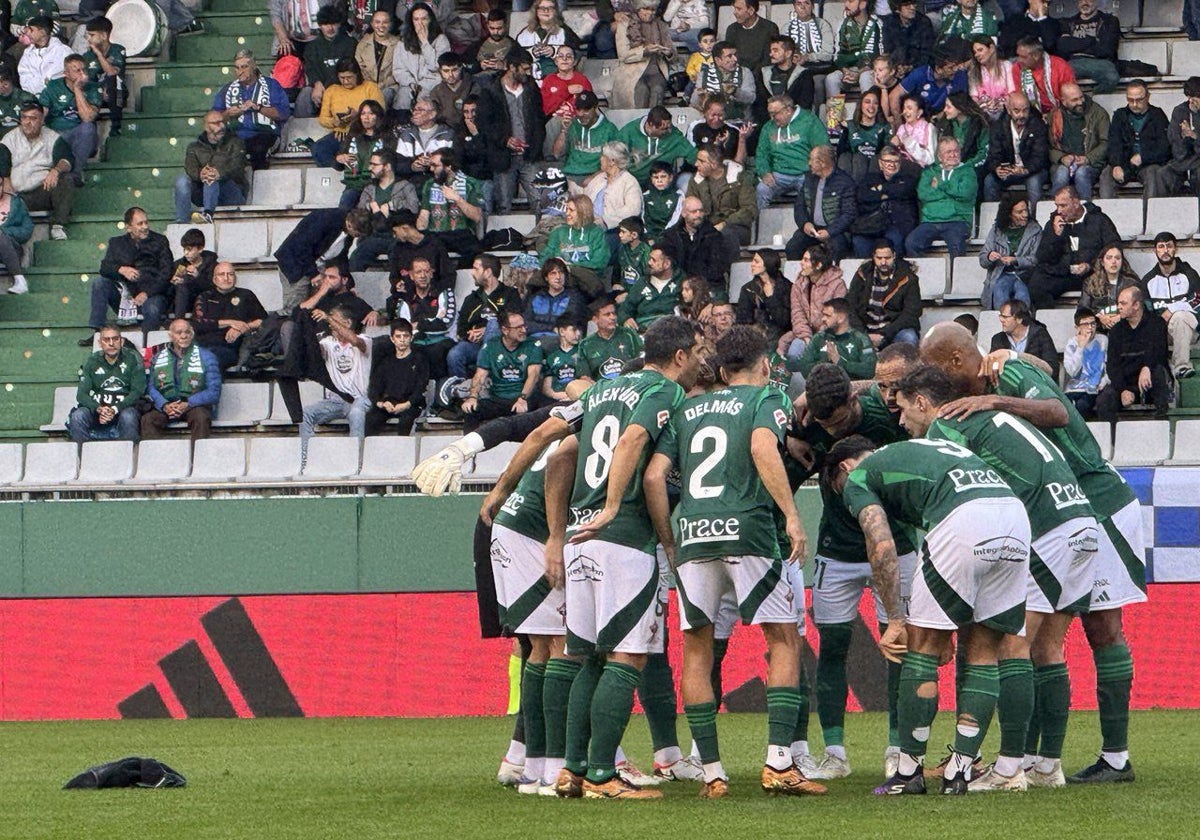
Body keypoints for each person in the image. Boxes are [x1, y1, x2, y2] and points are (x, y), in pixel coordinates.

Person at [921, 323, 1146, 786]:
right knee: (1045, 643)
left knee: (1099, 629)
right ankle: (1038, 761)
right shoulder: (1003, 370)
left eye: (935, 369)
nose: (933, 380)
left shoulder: (1004, 379)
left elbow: (1058, 412)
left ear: (958, 361)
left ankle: (1113, 756)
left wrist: (995, 399)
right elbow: (1044, 369)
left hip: (1096, 497)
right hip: (1061, 510)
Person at [895, 364, 1100, 793]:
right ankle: (1045, 764)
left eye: (903, 410)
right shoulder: (992, 415)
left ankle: (1008, 769)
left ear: (921, 402)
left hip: (1045, 527)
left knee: (1011, 645)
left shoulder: (947, 427)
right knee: (1047, 648)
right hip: (1080, 520)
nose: (902, 422)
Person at [644, 324, 819, 800]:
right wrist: (791, 516)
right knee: (783, 638)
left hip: (694, 536)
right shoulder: (768, 397)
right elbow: (763, 446)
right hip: (749, 530)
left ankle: (712, 772)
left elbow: (656, 475)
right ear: (765, 365)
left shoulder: (687, 408)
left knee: (697, 651)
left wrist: (669, 539)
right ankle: (779, 762)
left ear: (720, 370)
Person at [542, 316, 702, 800]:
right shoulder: (665, 392)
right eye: (696, 352)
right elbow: (634, 443)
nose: (699, 360)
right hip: (623, 535)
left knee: (589, 657)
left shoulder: (602, 391)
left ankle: (572, 769)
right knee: (627, 655)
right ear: (679, 356)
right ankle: (602, 776)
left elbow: (555, 450)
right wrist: (613, 505)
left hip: (579, 534)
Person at [829, 433, 1029, 795]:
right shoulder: (917, 453)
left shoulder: (859, 477)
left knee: (920, 648)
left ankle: (908, 773)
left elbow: (881, 543)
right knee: (984, 650)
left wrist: (895, 619)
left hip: (965, 518)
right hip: (1014, 515)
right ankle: (961, 771)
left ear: (844, 468)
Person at [85, 207, 173, 344]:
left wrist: (146, 293)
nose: (145, 227)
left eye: (146, 222)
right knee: (100, 282)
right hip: (125, 296)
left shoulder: (160, 241)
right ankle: (98, 331)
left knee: (153, 308)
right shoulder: (116, 242)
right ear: (128, 227)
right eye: (140, 224)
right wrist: (121, 269)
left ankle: (146, 345)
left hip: (152, 294)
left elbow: (166, 273)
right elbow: (105, 268)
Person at [1030, 186, 1120, 311]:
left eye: (1063, 206)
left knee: (1105, 281)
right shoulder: (1054, 224)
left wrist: (1090, 265)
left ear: (1076, 203)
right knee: (1037, 284)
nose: (1059, 210)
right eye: (1057, 206)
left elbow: (1114, 247)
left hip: (1093, 273)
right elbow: (1043, 258)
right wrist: (1056, 236)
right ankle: (1048, 323)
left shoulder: (1099, 220)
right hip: (1065, 274)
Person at [299, 304, 373, 451]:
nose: (330, 325)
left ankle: (355, 460)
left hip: (359, 398)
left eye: (334, 320)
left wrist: (328, 317)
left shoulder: (365, 339)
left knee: (356, 413)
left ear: (348, 323)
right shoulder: (328, 343)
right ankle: (309, 457)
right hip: (335, 400)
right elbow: (314, 349)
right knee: (305, 414)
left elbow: (354, 340)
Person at [480, 47, 545, 215]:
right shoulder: (490, 90)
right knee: (503, 206)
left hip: (529, 156)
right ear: (511, 67)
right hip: (504, 158)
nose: (527, 72)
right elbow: (484, 124)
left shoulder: (531, 87)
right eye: (524, 68)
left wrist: (536, 146)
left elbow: (539, 120)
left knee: (540, 203)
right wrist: (505, 140)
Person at [1095, 286, 1171, 420]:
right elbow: (1112, 365)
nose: (1119, 307)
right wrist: (1123, 389)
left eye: (1123, 303)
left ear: (1136, 305)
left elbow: (1160, 352)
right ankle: (1111, 439)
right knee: (1104, 399)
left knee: (1158, 373)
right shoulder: (1116, 331)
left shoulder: (1156, 323)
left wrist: (1147, 367)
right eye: (1118, 303)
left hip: (1151, 380)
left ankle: (1162, 428)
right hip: (1126, 383)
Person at [142, 318, 223, 442]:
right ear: (170, 335)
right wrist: (164, 405)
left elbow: (214, 391)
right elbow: (151, 387)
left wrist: (188, 403)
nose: (184, 336)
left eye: (187, 332)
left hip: (195, 405)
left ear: (192, 334)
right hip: (168, 405)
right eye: (179, 332)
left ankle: (199, 459)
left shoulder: (207, 357)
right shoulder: (158, 358)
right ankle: (157, 460)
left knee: (201, 417)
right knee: (148, 420)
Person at [1, 100, 73, 241]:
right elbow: (1, 163)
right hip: (14, 196)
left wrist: (56, 171)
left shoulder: (53, 138)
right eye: (24, 117)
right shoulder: (9, 139)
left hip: (41, 193)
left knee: (66, 180)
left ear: (41, 119)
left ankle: (58, 225)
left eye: (33, 118)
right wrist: (6, 182)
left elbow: (67, 160)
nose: (28, 122)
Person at [461, 310, 543, 433]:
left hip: (522, 398)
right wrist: (472, 397)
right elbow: (480, 376)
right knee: (471, 410)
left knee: (530, 413)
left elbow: (534, 375)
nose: (524, 330)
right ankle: (467, 450)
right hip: (498, 399)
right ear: (505, 330)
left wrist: (522, 398)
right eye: (518, 328)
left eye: (524, 326)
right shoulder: (491, 346)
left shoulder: (533, 345)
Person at [213, 50, 291, 171]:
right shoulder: (227, 89)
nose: (240, 71)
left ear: (254, 66)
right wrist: (228, 113)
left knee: (258, 149)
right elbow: (214, 118)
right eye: (237, 68)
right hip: (236, 134)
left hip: (264, 133)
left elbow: (283, 114)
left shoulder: (271, 85)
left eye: (244, 67)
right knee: (225, 149)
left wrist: (258, 108)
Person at [67, 325, 146, 443]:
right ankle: (82, 457)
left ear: (122, 341)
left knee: (129, 416)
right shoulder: (92, 361)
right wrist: (99, 409)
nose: (111, 343)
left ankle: (130, 457)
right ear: (100, 343)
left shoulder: (133, 359)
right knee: (78, 416)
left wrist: (114, 409)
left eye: (115, 339)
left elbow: (137, 392)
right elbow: (82, 395)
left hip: (123, 409)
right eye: (106, 339)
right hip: (98, 410)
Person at [1141, 231, 1200, 380]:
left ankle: (1182, 367)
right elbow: (1146, 309)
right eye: (1161, 247)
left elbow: (1197, 301)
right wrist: (1162, 313)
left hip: (1191, 330)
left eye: (1169, 246)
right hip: (1163, 333)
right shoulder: (1148, 281)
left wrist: (1172, 309)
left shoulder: (1190, 274)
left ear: (1176, 249)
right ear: (1155, 251)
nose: (1165, 250)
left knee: (1180, 317)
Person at [755, 94, 830, 209]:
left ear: (788, 110)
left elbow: (823, 147)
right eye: (770, 114)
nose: (772, 118)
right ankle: (762, 223)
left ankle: (810, 225)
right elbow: (762, 153)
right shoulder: (768, 127)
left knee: (814, 195)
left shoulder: (809, 121)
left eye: (775, 114)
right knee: (762, 189)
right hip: (778, 175)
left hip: (806, 173)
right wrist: (764, 172)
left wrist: (816, 170)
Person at [905, 136, 976, 258]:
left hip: (958, 220)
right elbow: (923, 194)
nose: (953, 155)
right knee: (911, 243)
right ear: (940, 157)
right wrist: (951, 191)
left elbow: (965, 194)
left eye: (956, 151)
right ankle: (923, 276)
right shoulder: (930, 172)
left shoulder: (968, 172)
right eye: (948, 152)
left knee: (957, 245)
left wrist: (940, 185)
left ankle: (956, 277)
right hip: (930, 221)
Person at [448, 254, 518, 377]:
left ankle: (484, 380)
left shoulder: (510, 294)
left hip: (503, 346)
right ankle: (462, 390)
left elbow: (514, 323)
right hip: (474, 345)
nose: (472, 273)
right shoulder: (471, 299)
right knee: (455, 355)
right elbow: (461, 328)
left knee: (494, 323)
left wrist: (487, 331)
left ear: (488, 272)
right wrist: (471, 334)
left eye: (476, 269)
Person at [1100, 81, 1171, 200]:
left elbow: (1165, 148)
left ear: (1148, 97)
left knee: (1154, 174)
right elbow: (1114, 143)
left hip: (1148, 164)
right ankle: (1106, 215)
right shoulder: (1120, 115)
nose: (1134, 104)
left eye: (1139, 100)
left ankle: (1151, 214)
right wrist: (1116, 164)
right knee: (1106, 174)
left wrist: (1143, 157)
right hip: (1124, 162)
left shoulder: (1157, 115)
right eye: (1130, 99)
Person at [349, 148, 419, 270]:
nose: (370, 168)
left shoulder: (406, 186)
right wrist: (371, 208)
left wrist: (393, 206)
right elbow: (359, 212)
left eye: (374, 165)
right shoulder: (369, 188)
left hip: (397, 236)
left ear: (387, 167)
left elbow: (414, 209)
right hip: (373, 235)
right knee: (357, 257)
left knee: (398, 252)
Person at [174, 110, 248, 224]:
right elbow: (190, 168)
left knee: (212, 178)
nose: (222, 126)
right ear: (207, 127)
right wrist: (201, 174)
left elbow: (237, 167)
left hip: (231, 191)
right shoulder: (194, 147)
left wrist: (218, 173)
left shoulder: (235, 142)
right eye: (216, 123)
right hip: (203, 192)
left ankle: (208, 214)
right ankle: (182, 219)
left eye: (222, 122)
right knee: (182, 180)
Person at [191, 262, 267, 371]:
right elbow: (198, 324)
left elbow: (263, 320)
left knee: (210, 360)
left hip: (228, 349)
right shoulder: (205, 297)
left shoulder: (246, 295)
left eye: (230, 274)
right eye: (221, 274)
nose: (226, 278)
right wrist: (230, 322)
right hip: (202, 345)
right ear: (214, 279)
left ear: (235, 278)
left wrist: (242, 328)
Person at [787, 145, 858, 261]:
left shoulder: (845, 182)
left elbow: (849, 214)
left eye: (812, 160)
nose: (809, 163)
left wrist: (829, 231)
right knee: (792, 247)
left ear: (822, 163)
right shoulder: (809, 178)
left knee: (836, 248)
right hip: (812, 229)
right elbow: (799, 206)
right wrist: (805, 224)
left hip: (836, 232)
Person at [311, 57, 383, 168]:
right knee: (319, 148)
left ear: (357, 75)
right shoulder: (332, 90)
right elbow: (323, 119)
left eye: (349, 77)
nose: (345, 81)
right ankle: (338, 167)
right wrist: (335, 122)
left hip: (364, 133)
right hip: (341, 133)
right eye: (342, 78)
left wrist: (357, 116)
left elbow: (380, 112)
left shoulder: (370, 88)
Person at [846, 240, 921, 347]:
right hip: (865, 328)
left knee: (909, 337)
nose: (883, 262)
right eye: (879, 258)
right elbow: (850, 306)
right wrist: (863, 334)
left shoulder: (908, 278)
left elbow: (911, 313)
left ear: (894, 256)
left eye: (887, 258)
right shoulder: (862, 274)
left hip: (894, 329)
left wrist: (885, 334)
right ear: (873, 257)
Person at [37, 53, 98, 184]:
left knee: (88, 128)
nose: (82, 74)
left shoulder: (93, 88)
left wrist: (77, 89)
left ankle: (75, 173)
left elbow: (87, 117)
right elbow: (41, 114)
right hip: (55, 134)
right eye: (77, 70)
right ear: (66, 73)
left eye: (84, 70)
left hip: (78, 135)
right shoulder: (53, 87)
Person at [688, 142, 757, 257]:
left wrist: (725, 223)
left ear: (714, 164)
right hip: (706, 227)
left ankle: (726, 272)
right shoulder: (696, 181)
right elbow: (690, 207)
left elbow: (749, 210)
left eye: (701, 161)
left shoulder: (741, 178)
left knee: (724, 236)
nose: (696, 164)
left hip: (736, 228)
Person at [852, 144, 918, 258]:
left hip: (896, 224)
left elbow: (902, 191)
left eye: (896, 161)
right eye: (887, 161)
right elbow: (862, 195)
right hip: (872, 223)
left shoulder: (908, 179)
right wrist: (887, 193)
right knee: (859, 242)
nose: (892, 164)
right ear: (880, 163)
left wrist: (879, 190)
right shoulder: (869, 178)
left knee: (893, 241)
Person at [418, 147, 484, 260]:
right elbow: (424, 214)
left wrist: (457, 199)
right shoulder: (429, 184)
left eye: (435, 165)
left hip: (461, 234)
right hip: (436, 234)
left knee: (475, 250)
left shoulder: (470, 183)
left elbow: (477, 217)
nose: (431, 169)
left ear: (448, 167)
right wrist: (421, 226)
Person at [366, 318, 428, 436]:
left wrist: (406, 404)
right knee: (371, 419)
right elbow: (374, 388)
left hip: (411, 405)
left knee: (406, 421)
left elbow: (421, 388)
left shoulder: (420, 360)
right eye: (398, 336)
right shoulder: (386, 362)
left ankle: (404, 453)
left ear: (411, 338)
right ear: (392, 339)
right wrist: (381, 403)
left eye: (405, 336)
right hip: (389, 404)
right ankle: (371, 453)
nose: (402, 340)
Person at [983, 92, 1049, 203]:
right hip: (1009, 171)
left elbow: (1040, 157)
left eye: (1025, 110)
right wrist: (997, 169)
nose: (1022, 115)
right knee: (989, 181)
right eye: (1017, 110)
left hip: (1032, 170)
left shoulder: (1037, 125)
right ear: (1008, 110)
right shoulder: (998, 127)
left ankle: (1034, 218)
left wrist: (1026, 169)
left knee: (1034, 182)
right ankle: (994, 218)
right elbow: (993, 155)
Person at [1048, 83, 1109, 201]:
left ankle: (1086, 211)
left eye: (1081, 97)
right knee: (1061, 174)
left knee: (1081, 173)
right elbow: (1048, 146)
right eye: (1074, 100)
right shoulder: (1054, 116)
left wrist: (1088, 158)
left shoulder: (1098, 113)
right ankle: (1058, 212)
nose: (1080, 102)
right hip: (1064, 163)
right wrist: (1061, 158)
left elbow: (1106, 143)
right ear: (1064, 101)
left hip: (1091, 163)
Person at [979, 193, 1040, 310]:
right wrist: (989, 256)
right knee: (999, 293)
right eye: (1019, 212)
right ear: (1009, 214)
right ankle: (1001, 325)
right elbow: (982, 259)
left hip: (1025, 275)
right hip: (1001, 274)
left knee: (1023, 296)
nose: (1025, 215)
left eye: (1026, 210)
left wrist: (1016, 260)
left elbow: (1037, 259)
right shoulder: (996, 230)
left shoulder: (1035, 230)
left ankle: (1023, 325)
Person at [541, 194, 610, 298]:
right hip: (558, 276)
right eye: (567, 209)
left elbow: (599, 262)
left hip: (586, 279)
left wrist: (569, 266)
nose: (567, 213)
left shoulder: (596, 233)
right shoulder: (559, 232)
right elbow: (545, 256)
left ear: (583, 212)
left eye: (571, 210)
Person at [396, 256, 454, 378]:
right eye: (418, 272)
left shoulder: (444, 293)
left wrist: (418, 325)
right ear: (411, 276)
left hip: (442, 341)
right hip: (416, 342)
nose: (423, 276)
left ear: (431, 274)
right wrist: (429, 324)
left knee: (436, 352)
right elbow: (404, 328)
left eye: (426, 271)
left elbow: (445, 323)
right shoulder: (405, 299)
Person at [612, 0, 676, 110]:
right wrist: (645, 51)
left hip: (656, 69)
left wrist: (668, 53)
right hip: (632, 71)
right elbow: (623, 55)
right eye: (645, 9)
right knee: (641, 90)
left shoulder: (661, 24)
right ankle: (638, 123)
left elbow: (674, 54)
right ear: (637, 9)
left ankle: (655, 122)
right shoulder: (625, 24)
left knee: (658, 89)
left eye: (652, 10)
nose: (649, 13)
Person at [660, 196, 731, 294]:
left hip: (708, 286)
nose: (699, 215)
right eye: (694, 212)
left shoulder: (713, 235)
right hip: (679, 286)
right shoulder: (671, 236)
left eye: (701, 211)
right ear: (684, 213)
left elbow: (717, 269)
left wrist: (696, 284)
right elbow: (671, 267)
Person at [788, 243, 847, 360]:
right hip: (805, 333)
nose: (801, 263)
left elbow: (835, 318)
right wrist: (806, 337)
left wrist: (817, 339)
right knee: (794, 353)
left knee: (823, 355)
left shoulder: (837, 285)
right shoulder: (798, 285)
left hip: (830, 334)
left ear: (818, 265)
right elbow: (797, 314)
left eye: (806, 260)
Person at [296, 5, 356, 119]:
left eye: (333, 23)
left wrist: (327, 89)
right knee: (305, 94)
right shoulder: (312, 47)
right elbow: (310, 68)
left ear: (339, 24)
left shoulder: (350, 44)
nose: (330, 28)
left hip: (343, 88)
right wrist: (317, 83)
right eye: (326, 24)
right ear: (319, 25)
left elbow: (347, 70)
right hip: (319, 90)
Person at [794, 297, 876, 379]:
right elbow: (804, 368)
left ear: (841, 318)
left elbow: (870, 370)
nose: (823, 319)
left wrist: (840, 362)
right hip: (822, 387)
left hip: (852, 388)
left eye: (827, 316)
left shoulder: (860, 339)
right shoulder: (819, 338)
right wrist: (827, 363)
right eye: (823, 315)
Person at [393, 2, 450, 116]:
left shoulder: (441, 40)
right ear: (411, 21)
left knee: (424, 100)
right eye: (416, 19)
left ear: (430, 20)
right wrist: (411, 83)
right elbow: (398, 70)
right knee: (402, 96)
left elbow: (437, 67)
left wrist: (425, 43)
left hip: (432, 86)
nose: (420, 23)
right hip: (410, 86)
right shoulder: (403, 42)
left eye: (424, 19)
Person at [618, 106, 697, 188]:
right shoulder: (628, 132)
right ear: (650, 125)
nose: (669, 131)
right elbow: (615, 158)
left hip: (662, 185)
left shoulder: (674, 136)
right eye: (664, 128)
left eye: (670, 126)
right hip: (632, 183)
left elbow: (693, 155)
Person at [553, 91, 620, 186]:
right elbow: (556, 154)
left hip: (596, 177)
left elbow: (616, 162)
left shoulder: (609, 129)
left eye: (586, 109)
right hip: (569, 176)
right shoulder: (572, 124)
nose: (581, 114)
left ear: (596, 107)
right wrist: (564, 131)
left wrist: (593, 178)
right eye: (578, 109)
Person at [1056, 0, 1120, 95]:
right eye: (1081, 0)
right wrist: (1091, 41)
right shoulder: (1067, 22)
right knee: (1055, 77)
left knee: (1112, 77)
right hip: (1073, 63)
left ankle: (1090, 96)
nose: (1084, 3)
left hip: (1099, 63)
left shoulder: (1109, 21)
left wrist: (1074, 44)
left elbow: (1107, 50)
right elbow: (1063, 47)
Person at [888, 45, 968, 119]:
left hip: (947, 118)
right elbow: (894, 96)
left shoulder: (959, 75)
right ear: (938, 69)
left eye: (956, 65)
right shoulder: (920, 73)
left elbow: (960, 105)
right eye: (951, 67)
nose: (955, 69)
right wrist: (898, 123)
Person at [387, 208, 454, 293]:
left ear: (405, 228)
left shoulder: (435, 245)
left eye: (395, 232)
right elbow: (394, 276)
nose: (394, 236)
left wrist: (436, 293)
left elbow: (448, 275)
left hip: (433, 297)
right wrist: (396, 284)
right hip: (407, 296)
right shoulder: (397, 249)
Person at [575, 298, 643, 381]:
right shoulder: (585, 344)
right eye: (607, 314)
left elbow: (643, 361)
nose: (613, 317)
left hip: (631, 386)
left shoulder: (629, 334)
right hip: (602, 390)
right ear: (595, 319)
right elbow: (584, 377)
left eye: (614, 313)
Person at [584, 141, 642, 237]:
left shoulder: (629, 182)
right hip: (590, 226)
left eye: (603, 156)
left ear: (612, 161)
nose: (600, 159)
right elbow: (585, 199)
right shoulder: (600, 178)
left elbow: (633, 210)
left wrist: (605, 221)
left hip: (614, 231)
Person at [826, 0, 882, 99]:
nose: (846, 5)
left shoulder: (877, 24)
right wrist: (844, 70)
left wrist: (860, 72)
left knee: (865, 78)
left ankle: (867, 112)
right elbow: (837, 55)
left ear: (863, 3)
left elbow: (880, 55)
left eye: (851, 1)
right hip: (847, 70)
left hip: (869, 69)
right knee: (831, 79)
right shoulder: (843, 24)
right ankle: (835, 114)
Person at [989, 299, 1059, 379]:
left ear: (1019, 319)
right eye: (1000, 316)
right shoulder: (997, 339)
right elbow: (992, 365)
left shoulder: (1040, 335)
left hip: (1037, 384)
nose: (1001, 320)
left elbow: (1053, 369)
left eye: (1005, 317)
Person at [394, 95, 455, 185]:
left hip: (440, 183)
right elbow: (398, 164)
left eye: (420, 110)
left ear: (432, 114)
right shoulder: (406, 135)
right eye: (414, 110)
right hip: (412, 183)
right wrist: (412, 166)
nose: (414, 113)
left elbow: (453, 163)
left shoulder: (447, 134)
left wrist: (432, 163)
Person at [1080, 243, 1143, 330]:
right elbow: (1082, 311)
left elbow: (1141, 310)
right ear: (1102, 262)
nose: (1114, 261)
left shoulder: (1131, 283)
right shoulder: (1090, 283)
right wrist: (1099, 318)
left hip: (1127, 330)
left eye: (1117, 258)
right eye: (1109, 258)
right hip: (1099, 331)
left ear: (1122, 261)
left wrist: (1121, 317)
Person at [516, 0, 581, 85]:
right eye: (542, 8)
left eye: (550, 8)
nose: (546, 11)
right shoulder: (525, 34)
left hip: (559, 82)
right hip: (531, 83)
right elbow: (516, 57)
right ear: (536, 11)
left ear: (555, 11)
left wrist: (555, 51)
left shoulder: (565, 32)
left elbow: (577, 53)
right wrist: (531, 53)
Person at [619, 246, 683, 332]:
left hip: (673, 331)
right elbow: (625, 308)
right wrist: (626, 319)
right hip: (644, 331)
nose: (649, 262)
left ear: (667, 264)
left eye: (654, 260)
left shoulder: (682, 282)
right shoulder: (641, 283)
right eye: (649, 258)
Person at [81, 16, 125, 136]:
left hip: (115, 91)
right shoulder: (87, 56)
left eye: (92, 35)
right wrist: (98, 90)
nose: (89, 39)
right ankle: (90, 133)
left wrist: (99, 54)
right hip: (95, 93)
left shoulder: (118, 50)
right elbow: (88, 80)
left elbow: (112, 72)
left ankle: (116, 128)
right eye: (87, 36)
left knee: (113, 83)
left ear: (104, 36)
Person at [692, 42, 757, 122]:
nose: (735, 59)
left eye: (735, 55)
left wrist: (736, 91)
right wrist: (700, 96)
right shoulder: (703, 74)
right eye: (729, 56)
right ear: (718, 60)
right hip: (710, 121)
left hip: (738, 121)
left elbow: (751, 98)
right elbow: (693, 102)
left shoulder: (745, 72)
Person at [836, 87, 890, 182]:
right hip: (854, 170)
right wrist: (844, 133)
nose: (871, 106)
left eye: (875, 103)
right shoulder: (849, 125)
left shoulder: (884, 127)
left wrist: (881, 138)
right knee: (852, 158)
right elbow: (841, 153)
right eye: (867, 102)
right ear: (860, 105)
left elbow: (887, 153)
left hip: (875, 170)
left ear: (879, 107)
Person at [525, 258, 588, 339]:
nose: (558, 277)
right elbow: (526, 324)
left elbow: (570, 325)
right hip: (533, 340)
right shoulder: (535, 297)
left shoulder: (574, 298)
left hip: (560, 341)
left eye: (561, 272)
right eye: (553, 273)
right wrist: (551, 328)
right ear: (546, 278)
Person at [1010, 36, 1075, 115]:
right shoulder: (1017, 68)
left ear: (1036, 56)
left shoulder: (1060, 66)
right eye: (1018, 55)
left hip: (1061, 113)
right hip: (1031, 114)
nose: (1019, 60)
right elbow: (1020, 96)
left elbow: (1071, 96)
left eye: (1023, 57)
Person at [1063, 307, 1108, 418]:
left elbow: (1109, 366)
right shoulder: (1071, 344)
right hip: (1074, 389)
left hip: (1094, 388)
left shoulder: (1103, 340)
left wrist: (1104, 382)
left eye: (1093, 323)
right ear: (1077, 328)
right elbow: (1072, 372)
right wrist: (1080, 347)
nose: (1090, 328)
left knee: (1082, 406)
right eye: (1085, 324)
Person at [933, 92, 989, 175]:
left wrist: (965, 166)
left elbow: (983, 153)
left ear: (959, 108)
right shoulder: (945, 124)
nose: (945, 110)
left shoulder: (980, 124)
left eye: (948, 107)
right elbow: (939, 150)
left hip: (972, 170)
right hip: (948, 168)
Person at [355, 9, 400, 109]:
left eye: (385, 22)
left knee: (384, 96)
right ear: (371, 24)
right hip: (367, 86)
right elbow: (359, 68)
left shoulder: (398, 44)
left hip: (390, 86)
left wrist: (381, 85)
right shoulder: (363, 44)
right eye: (377, 22)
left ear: (390, 24)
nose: (381, 26)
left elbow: (400, 71)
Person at [687, 95, 750, 165]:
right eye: (713, 115)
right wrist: (716, 146)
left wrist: (742, 140)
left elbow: (739, 163)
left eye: (720, 115)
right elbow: (692, 156)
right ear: (705, 113)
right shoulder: (696, 128)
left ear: (725, 115)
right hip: (699, 169)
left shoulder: (733, 131)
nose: (716, 119)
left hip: (726, 171)